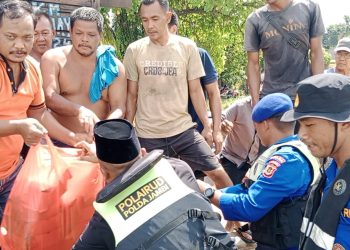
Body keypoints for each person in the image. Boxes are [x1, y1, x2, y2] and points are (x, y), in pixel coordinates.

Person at [73, 119, 234, 249]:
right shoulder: (178, 169)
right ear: (143, 152)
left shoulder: (106, 216)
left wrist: (105, 163)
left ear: (105, 174)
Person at [124, 0, 232, 188]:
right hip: (148, 135)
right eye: (145, 20)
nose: (149, 25)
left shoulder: (187, 47)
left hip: (183, 131)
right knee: (149, 187)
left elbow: (196, 90)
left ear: (167, 17)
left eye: (155, 19)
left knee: (219, 174)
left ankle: (235, 217)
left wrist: (207, 127)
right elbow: (131, 95)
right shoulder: (134, 50)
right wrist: (126, 130)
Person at [199, 93, 320, 250]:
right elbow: (247, 188)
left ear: (265, 125)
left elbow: (248, 208)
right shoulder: (289, 149)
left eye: (255, 127)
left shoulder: (288, 161)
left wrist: (207, 192)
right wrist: (205, 193)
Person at [0, 0, 84, 222]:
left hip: (11, 172)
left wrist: (75, 139)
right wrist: (18, 126)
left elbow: (39, 114)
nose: (20, 45)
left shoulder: (32, 70)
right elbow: (26, 122)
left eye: (27, 37)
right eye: (11, 37)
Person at [281, 73, 350, 250]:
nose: (300, 135)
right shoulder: (331, 172)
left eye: (309, 125)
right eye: (300, 125)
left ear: (345, 123)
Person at [40, 7, 127, 143]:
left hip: (98, 141)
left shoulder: (113, 67)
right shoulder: (53, 59)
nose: (84, 39)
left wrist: (102, 131)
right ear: (70, 32)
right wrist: (79, 110)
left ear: (100, 35)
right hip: (60, 139)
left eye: (91, 35)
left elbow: (119, 107)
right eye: (79, 33)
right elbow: (49, 98)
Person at [245, 0, 325, 106]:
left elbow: (316, 52)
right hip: (272, 99)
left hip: (305, 95)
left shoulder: (310, 7)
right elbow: (253, 64)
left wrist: (319, 92)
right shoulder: (255, 19)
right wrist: (255, 103)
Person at [168, 10, 223, 154]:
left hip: (195, 132)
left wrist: (215, 130)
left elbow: (213, 93)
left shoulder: (199, 54)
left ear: (173, 29)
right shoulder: (149, 58)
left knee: (200, 174)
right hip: (163, 134)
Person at [220, 96, 259, 185]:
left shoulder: (273, 110)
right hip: (232, 159)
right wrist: (222, 125)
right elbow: (220, 119)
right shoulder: (240, 106)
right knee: (227, 192)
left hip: (255, 163)